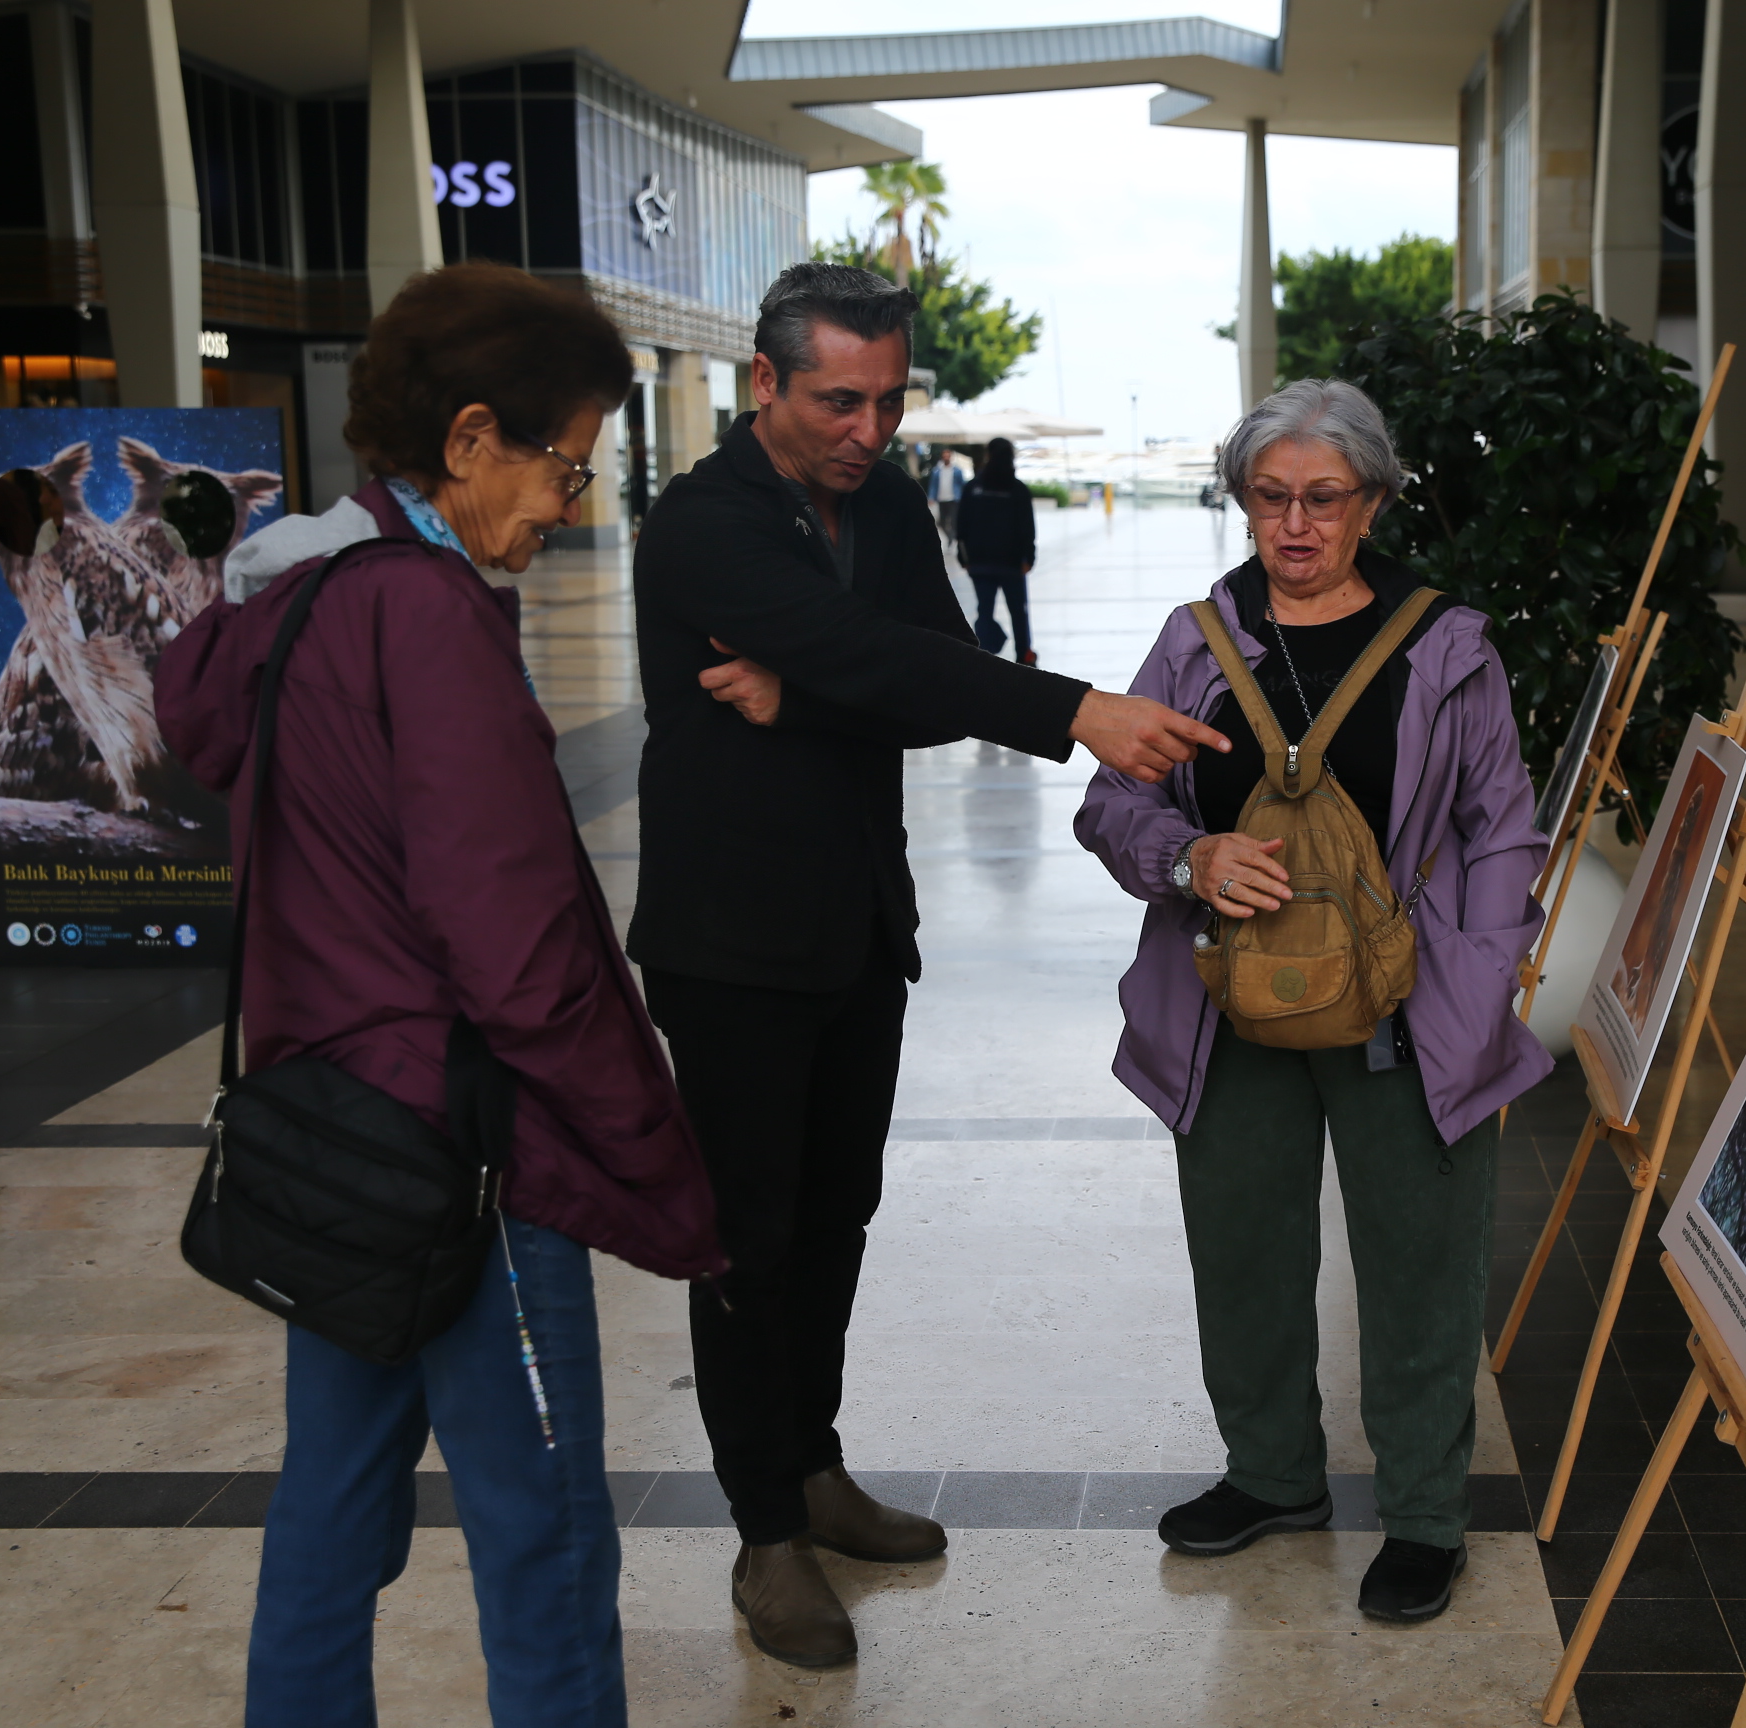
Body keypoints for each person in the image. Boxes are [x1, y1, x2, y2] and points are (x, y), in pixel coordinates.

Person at [626, 261, 1226, 1670]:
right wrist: (1072, 707)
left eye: (889, 398)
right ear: (765, 383)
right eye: (840, 398)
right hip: (730, 947)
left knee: (839, 1212)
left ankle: (818, 1466)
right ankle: (765, 1530)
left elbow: (922, 671)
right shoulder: (701, 524)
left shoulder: (890, 504)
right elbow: (867, 654)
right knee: (749, 1240)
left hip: (856, 927)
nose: (868, 426)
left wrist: (813, 691)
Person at [154, 262, 722, 1728]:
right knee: (542, 1537)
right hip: (462, 1157)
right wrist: (651, 1156)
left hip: (329, 1141)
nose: (572, 504)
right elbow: (517, 948)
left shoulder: (295, 598)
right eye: (564, 465)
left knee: (330, 1517)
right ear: (470, 438)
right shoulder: (425, 616)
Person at [1075, 378, 1553, 1623]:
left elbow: (1501, 827)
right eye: (1270, 498)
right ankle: (1273, 1476)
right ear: (1243, 503)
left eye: (1324, 499)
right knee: (1240, 1246)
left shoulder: (1448, 645)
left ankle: (1427, 1518)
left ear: (1373, 503)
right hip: (1227, 1003)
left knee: (1419, 1264)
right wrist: (1190, 859)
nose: (1295, 525)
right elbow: (1112, 802)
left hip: (1408, 1009)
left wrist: (1483, 970)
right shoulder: (1195, 640)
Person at [955, 435, 1037, 665]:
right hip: (1011, 563)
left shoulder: (974, 487)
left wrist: (964, 557)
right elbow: (1027, 528)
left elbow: (961, 526)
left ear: (988, 456)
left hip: (980, 563)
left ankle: (984, 656)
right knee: (1018, 613)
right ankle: (1025, 655)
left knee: (984, 611)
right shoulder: (1017, 489)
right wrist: (1028, 557)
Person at [927, 443, 966, 546]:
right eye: (944, 456)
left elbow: (962, 484)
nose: (946, 458)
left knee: (953, 520)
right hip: (941, 498)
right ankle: (950, 537)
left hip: (954, 498)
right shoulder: (937, 471)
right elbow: (933, 485)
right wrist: (931, 497)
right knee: (942, 522)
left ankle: (952, 538)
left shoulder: (957, 471)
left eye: (948, 456)